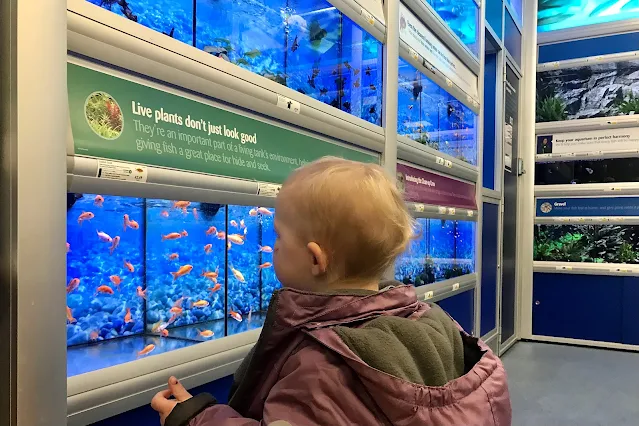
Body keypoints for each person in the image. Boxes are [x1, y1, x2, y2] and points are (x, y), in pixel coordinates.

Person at [151, 157, 512, 426]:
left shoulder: (320, 367)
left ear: (314, 260)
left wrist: (196, 420)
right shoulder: (437, 324)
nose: (273, 247)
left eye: (278, 236)